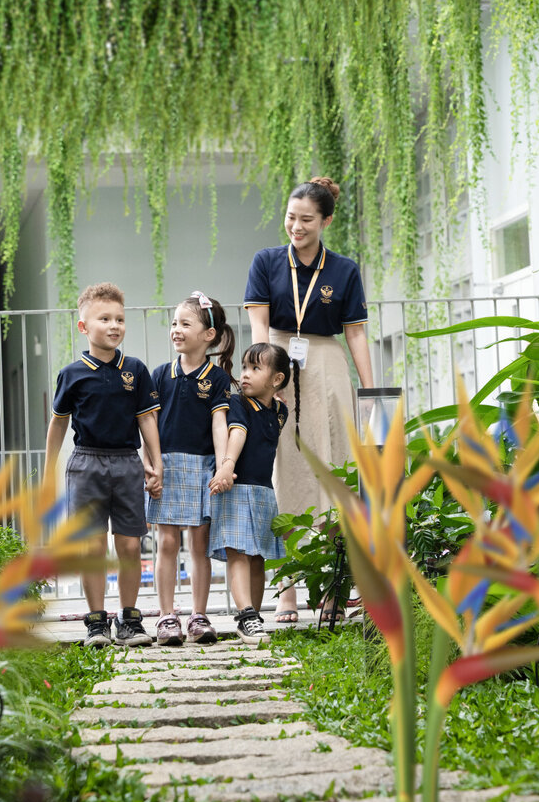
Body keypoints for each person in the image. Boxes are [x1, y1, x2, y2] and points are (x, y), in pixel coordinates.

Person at [244, 176, 374, 623]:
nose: (295, 227)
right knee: (285, 468)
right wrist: (266, 375)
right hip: (279, 357)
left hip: (326, 363)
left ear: (326, 221)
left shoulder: (343, 269)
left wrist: (369, 388)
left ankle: (334, 587)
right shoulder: (265, 262)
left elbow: (355, 331)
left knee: (334, 467)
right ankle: (287, 591)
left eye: (305, 220)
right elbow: (259, 326)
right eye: (290, 217)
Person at [43, 282, 163, 649]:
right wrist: (49, 470)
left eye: (120, 319)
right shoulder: (72, 374)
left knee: (129, 546)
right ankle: (96, 623)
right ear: (84, 327)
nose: (114, 325)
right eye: (105, 318)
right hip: (86, 464)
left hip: (127, 463)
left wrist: (155, 463)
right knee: (92, 548)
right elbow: (59, 422)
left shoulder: (137, 371)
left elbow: (146, 420)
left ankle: (129, 619)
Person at [145, 291, 234, 647]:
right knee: (166, 542)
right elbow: (147, 422)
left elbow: (219, 425)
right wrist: (150, 464)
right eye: (174, 323)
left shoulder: (218, 379)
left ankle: (199, 616)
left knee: (199, 544)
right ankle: (167, 617)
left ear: (208, 334)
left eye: (185, 323)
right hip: (165, 466)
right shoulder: (159, 375)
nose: (176, 330)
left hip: (203, 467)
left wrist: (224, 466)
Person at [208, 343, 290, 643]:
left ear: (277, 379)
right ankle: (245, 614)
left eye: (255, 369)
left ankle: (253, 616)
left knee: (258, 558)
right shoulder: (238, 402)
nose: (245, 375)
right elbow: (238, 431)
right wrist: (227, 466)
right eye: (244, 367)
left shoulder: (281, 410)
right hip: (236, 488)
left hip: (263, 492)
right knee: (238, 554)